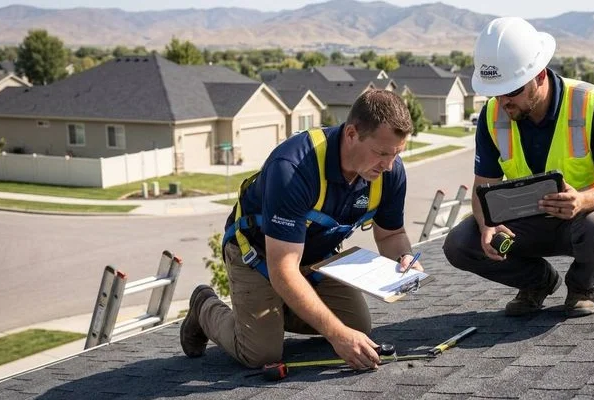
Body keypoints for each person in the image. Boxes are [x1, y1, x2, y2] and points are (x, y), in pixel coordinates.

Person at [180, 89, 424, 370]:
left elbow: (391, 235)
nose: (389, 165)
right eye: (381, 153)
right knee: (261, 353)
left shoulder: (388, 172)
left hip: (313, 256)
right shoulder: (293, 167)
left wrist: (403, 257)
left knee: (357, 326)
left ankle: (275, 312)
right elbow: (283, 270)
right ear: (352, 134)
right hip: (259, 254)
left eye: (396, 153)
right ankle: (204, 306)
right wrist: (337, 335)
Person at [442, 17, 594, 318]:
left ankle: (581, 287)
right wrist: (486, 226)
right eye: (496, 92)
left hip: (583, 219)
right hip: (524, 223)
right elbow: (483, 186)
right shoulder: (492, 115)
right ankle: (537, 283)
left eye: (512, 90)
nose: (504, 101)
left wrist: (582, 200)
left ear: (540, 75)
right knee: (460, 243)